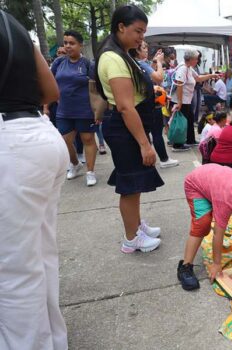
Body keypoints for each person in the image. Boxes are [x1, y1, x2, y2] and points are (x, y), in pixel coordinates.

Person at [0, 9, 68, 349]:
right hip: (37, 136)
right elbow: (49, 90)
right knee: (39, 255)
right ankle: (53, 339)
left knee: (12, 273)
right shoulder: (11, 22)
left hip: (11, 143)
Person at [95, 4, 164, 253]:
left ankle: (136, 225)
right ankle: (131, 238)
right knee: (130, 184)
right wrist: (145, 144)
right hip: (125, 128)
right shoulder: (113, 58)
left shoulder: (122, 54)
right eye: (137, 31)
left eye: (143, 32)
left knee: (135, 183)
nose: (141, 37)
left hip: (128, 126)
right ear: (120, 27)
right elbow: (125, 106)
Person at [45, 30, 99, 186]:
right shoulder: (58, 63)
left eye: (72, 43)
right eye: (66, 43)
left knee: (87, 139)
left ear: (80, 45)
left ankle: (90, 172)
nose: (68, 46)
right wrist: (46, 107)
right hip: (63, 110)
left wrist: (98, 110)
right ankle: (75, 164)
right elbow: (50, 84)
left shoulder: (88, 64)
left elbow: (96, 89)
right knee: (64, 141)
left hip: (85, 110)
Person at [130, 41, 179, 168]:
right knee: (156, 133)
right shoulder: (140, 63)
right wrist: (159, 62)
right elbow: (158, 78)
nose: (147, 50)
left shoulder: (134, 63)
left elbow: (149, 73)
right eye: (144, 48)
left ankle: (147, 159)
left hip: (141, 103)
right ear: (137, 50)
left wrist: (153, 60)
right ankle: (164, 159)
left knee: (147, 133)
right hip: (150, 104)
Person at [171, 49, 218, 151]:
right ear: (191, 59)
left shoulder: (189, 68)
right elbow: (179, 84)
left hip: (186, 100)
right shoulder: (183, 69)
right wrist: (179, 102)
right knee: (181, 122)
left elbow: (198, 78)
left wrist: (211, 75)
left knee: (190, 119)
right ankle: (177, 144)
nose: (197, 61)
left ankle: (190, 140)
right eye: (196, 59)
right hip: (181, 101)